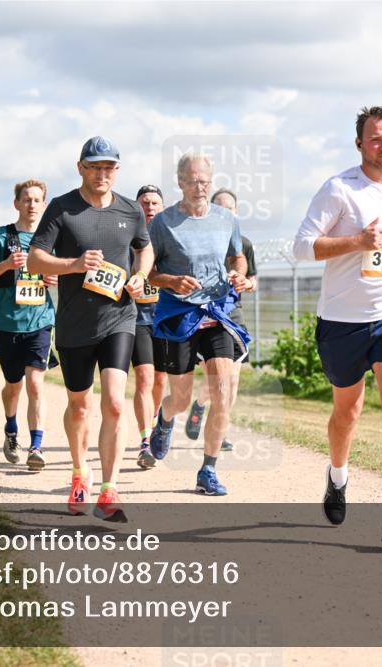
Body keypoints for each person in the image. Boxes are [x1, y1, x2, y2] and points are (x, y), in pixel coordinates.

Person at [293, 106, 382, 543]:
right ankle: (337, 475)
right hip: (342, 322)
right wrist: (356, 241)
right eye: (375, 139)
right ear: (359, 144)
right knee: (347, 412)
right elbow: (301, 247)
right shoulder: (339, 189)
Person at [27, 137, 153, 522]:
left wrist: (141, 275)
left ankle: (109, 489)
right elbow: (34, 260)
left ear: (117, 170)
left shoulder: (132, 209)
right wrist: (75, 264)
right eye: (95, 167)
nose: (103, 174)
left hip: (119, 317)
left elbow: (143, 248)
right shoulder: (62, 209)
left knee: (115, 401)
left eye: (110, 167)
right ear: (81, 167)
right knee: (80, 406)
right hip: (74, 323)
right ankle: (80, 472)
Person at [146, 152, 249, 497]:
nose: (199, 187)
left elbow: (238, 256)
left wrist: (240, 275)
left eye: (204, 181)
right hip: (179, 315)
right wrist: (173, 281)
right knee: (181, 396)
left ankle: (208, 469)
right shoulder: (161, 224)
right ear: (179, 182)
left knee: (222, 395)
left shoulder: (226, 219)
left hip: (217, 312)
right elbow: (149, 272)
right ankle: (165, 418)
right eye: (192, 181)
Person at [0, 180, 59, 472]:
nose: (32, 205)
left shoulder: (51, 240)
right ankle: (11, 429)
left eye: (37, 200)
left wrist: (56, 279)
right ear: (17, 204)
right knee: (14, 385)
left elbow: (68, 273)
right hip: (6, 324)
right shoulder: (0, 236)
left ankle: (36, 446)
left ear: (44, 205)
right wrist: (7, 265)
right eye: (27, 200)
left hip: (40, 322)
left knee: (36, 383)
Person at [184, 188, 259, 451]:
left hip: (233, 316)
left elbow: (253, 280)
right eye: (219, 209)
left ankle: (220, 428)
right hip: (205, 315)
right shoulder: (196, 242)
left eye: (229, 209)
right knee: (216, 380)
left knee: (233, 380)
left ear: (236, 213)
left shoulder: (245, 244)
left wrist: (248, 284)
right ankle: (201, 404)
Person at [131, 184, 168, 469]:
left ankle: (155, 425)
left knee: (159, 380)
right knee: (144, 377)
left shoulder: (171, 239)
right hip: (135, 316)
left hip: (165, 316)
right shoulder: (126, 238)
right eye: (145, 203)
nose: (150, 207)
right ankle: (145, 441)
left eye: (155, 203)